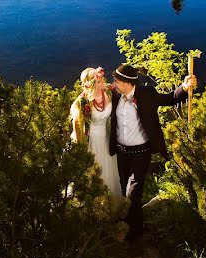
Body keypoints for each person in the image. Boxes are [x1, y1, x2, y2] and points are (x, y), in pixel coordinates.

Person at [109, 63, 196, 242]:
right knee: (125, 190)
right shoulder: (115, 95)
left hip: (141, 153)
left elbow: (170, 98)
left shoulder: (147, 94)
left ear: (127, 83)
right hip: (121, 153)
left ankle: (134, 232)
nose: (114, 84)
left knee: (133, 193)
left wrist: (185, 87)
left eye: (116, 81)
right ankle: (132, 224)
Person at [70, 66, 122, 200]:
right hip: (91, 141)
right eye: (98, 81)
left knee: (109, 170)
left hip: (106, 138)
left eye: (102, 79)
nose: (103, 82)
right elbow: (77, 127)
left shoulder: (109, 92)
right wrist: (81, 148)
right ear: (90, 84)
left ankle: (111, 203)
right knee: (94, 171)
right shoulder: (82, 102)